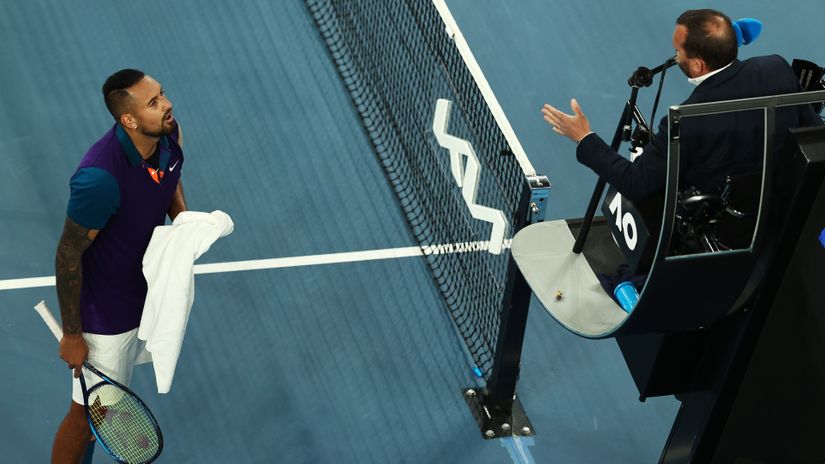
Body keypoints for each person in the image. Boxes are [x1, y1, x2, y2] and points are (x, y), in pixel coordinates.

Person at [541, 9, 822, 204]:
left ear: (698, 64)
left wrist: (583, 137)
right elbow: (811, 133)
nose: (674, 57)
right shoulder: (776, 67)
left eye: (678, 52)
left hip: (725, 217)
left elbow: (635, 183)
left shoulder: (686, 119)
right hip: (789, 196)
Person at [51, 69, 187, 463]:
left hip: (145, 296)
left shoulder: (167, 134)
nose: (166, 105)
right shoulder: (99, 179)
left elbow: (171, 175)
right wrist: (74, 335)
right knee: (86, 416)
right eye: (153, 102)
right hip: (105, 317)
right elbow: (67, 255)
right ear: (127, 119)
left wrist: (183, 223)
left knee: (100, 409)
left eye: (162, 94)